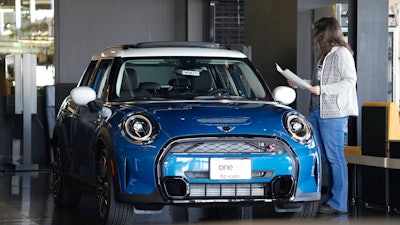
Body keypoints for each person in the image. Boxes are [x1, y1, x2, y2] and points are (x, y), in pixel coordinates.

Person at [288, 17, 359, 214]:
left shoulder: (342, 54)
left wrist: (322, 90)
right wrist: (301, 82)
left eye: (317, 32)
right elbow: (318, 82)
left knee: (335, 157)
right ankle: (331, 199)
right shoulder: (325, 55)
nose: (315, 37)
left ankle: (339, 203)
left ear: (326, 33)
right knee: (326, 158)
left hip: (333, 113)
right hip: (318, 111)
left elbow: (349, 81)